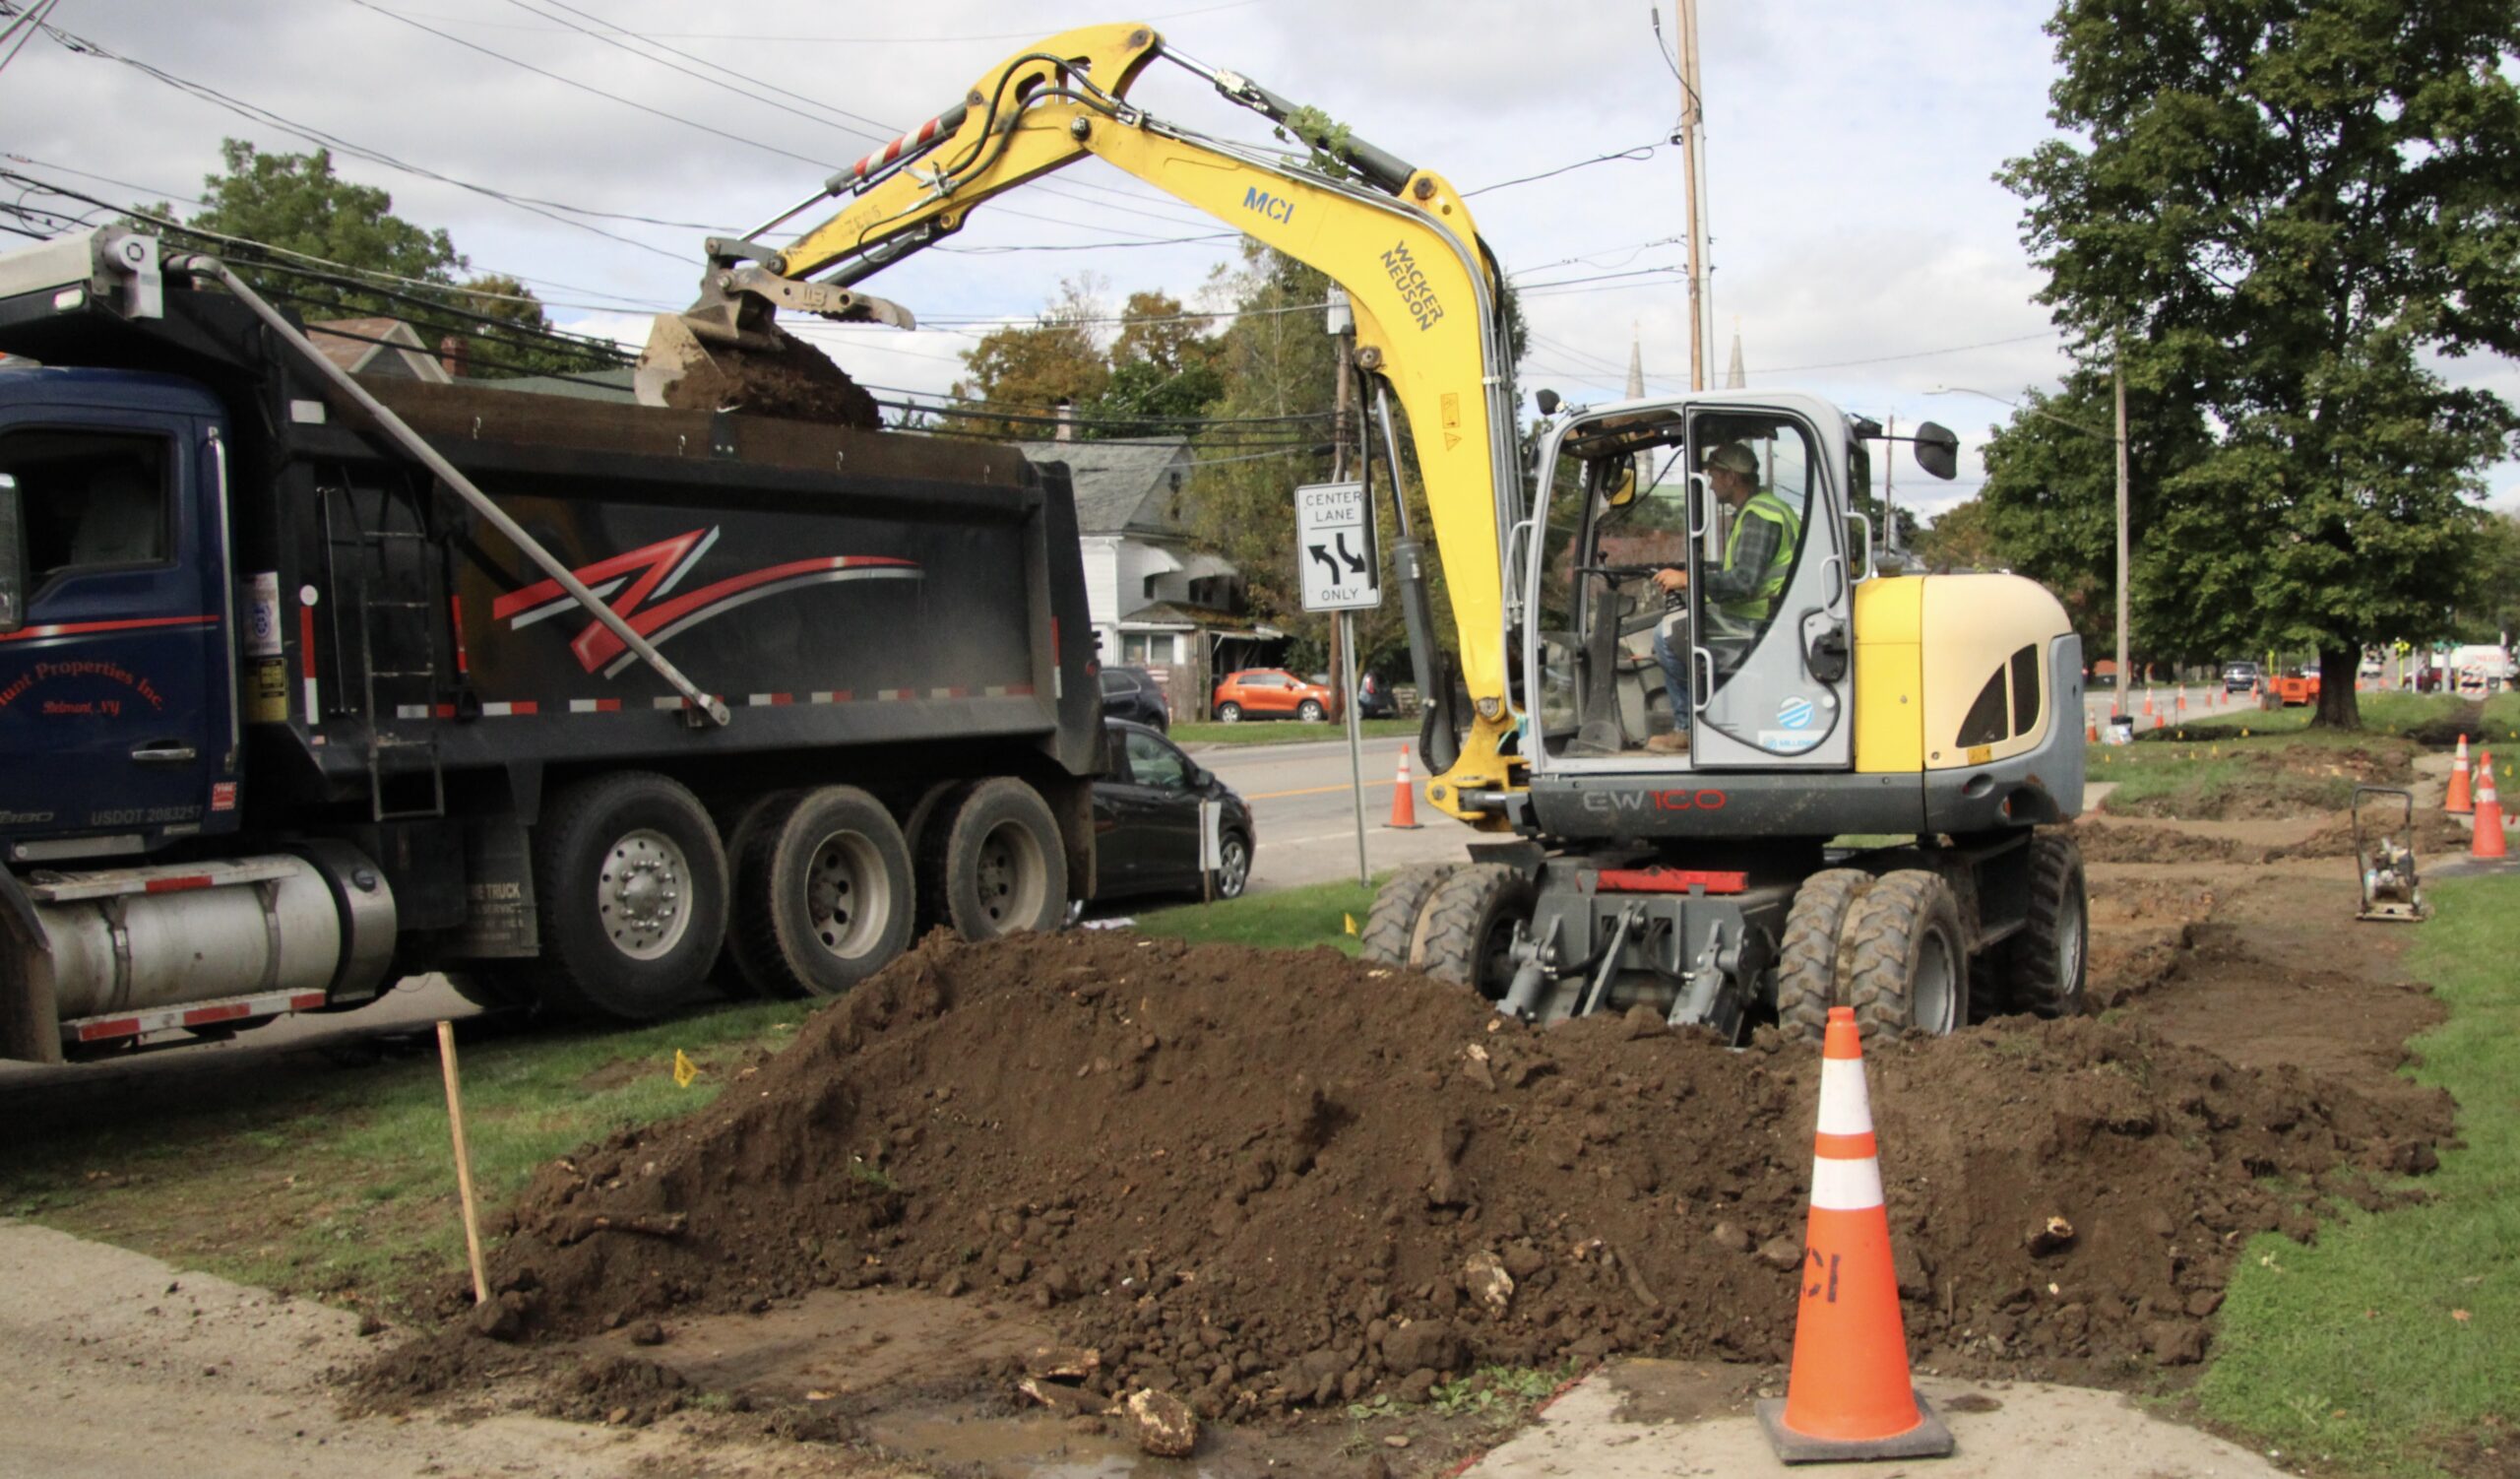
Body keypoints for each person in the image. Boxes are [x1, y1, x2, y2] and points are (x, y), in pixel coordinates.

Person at [1644, 441, 1801, 753]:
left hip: (1761, 623)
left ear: (1731, 478)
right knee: (1677, 627)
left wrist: (1688, 580)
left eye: (1714, 476)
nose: (1712, 484)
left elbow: (1744, 582)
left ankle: (1688, 728)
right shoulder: (1762, 509)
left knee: (1665, 635)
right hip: (1770, 617)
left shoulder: (1759, 517)